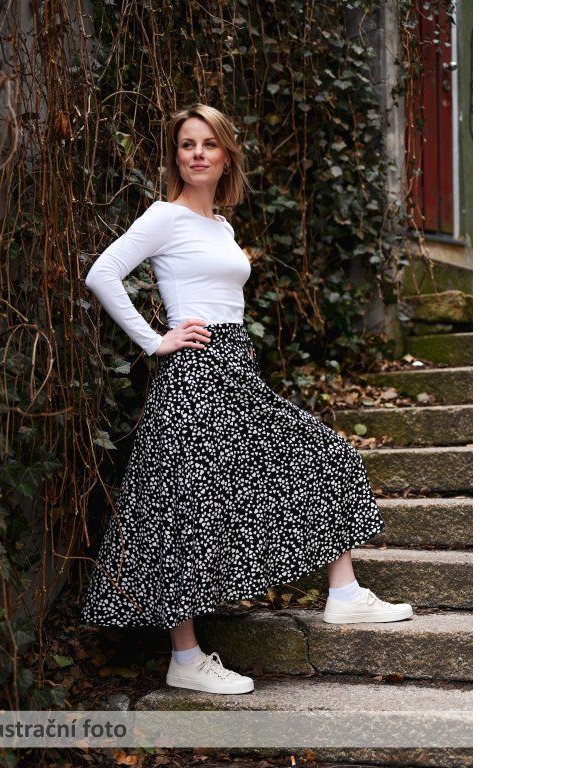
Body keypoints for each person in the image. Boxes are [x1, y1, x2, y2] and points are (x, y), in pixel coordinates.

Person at [79, 104, 413, 696]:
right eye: (187, 144)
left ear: (226, 155)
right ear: (176, 155)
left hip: (236, 365)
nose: (198, 154)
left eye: (209, 143)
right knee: (180, 507)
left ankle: (343, 592)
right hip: (193, 373)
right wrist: (155, 341)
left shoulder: (222, 227)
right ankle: (185, 659)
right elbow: (102, 274)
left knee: (320, 452)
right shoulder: (164, 216)